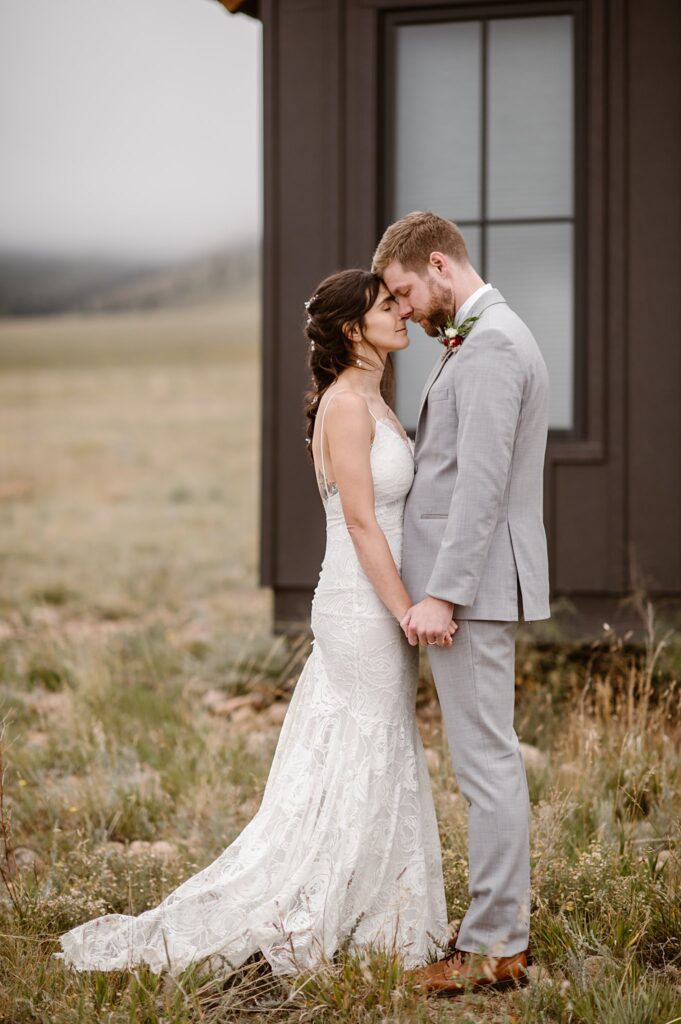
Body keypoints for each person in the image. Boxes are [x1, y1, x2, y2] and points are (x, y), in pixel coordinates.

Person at [53, 268, 451, 979]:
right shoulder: (349, 408)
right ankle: (336, 915)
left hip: (365, 601)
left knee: (366, 755)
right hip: (363, 606)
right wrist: (405, 612)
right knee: (368, 752)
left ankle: (376, 912)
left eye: (397, 302)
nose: (399, 312)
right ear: (351, 329)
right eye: (384, 306)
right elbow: (361, 523)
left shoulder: (370, 398)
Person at [372, 210, 550, 996]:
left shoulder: (490, 346)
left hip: (468, 594)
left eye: (404, 290)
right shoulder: (486, 339)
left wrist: (441, 593)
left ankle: (491, 946)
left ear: (438, 265)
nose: (403, 307)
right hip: (471, 591)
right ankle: (492, 933)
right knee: (486, 761)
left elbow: (477, 488)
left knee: (485, 765)